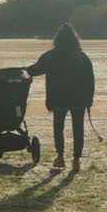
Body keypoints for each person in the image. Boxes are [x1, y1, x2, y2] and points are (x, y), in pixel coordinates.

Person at [25, 23, 94, 172]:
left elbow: (35, 69)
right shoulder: (82, 57)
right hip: (79, 98)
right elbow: (90, 80)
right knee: (78, 129)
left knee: (58, 128)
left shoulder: (50, 56)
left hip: (58, 97)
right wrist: (89, 101)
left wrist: (22, 70)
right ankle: (76, 160)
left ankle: (60, 156)